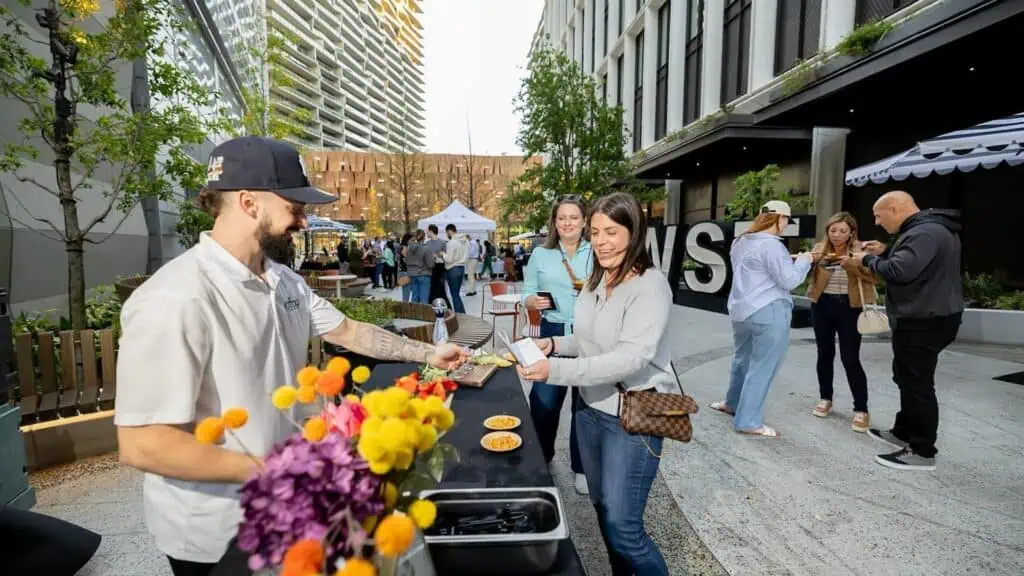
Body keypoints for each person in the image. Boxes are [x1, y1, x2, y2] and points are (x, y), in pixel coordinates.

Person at [113, 136, 470, 576]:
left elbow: (348, 331)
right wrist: (280, 471)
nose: (303, 220)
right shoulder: (174, 298)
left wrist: (431, 352)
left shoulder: (284, 280)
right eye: (294, 208)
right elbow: (143, 444)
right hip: (217, 533)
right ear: (249, 203)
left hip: (288, 514)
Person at [517, 192, 674, 576]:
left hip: (632, 416)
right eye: (597, 232)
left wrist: (554, 370)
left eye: (611, 232)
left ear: (634, 232)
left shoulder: (650, 285)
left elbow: (629, 358)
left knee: (624, 529)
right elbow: (587, 339)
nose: (601, 241)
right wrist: (554, 344)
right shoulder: (597, 279)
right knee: (603, 511)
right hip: (590, 411)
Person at [850, 191, 963, 471]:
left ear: (895, 209)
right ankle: (903, 431)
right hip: (925, 317)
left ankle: (922, 451)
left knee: (917, 385)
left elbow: (900, 271)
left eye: (879, 215)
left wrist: (866, 259)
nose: (877, 222)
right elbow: (915, 263)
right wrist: (886, 251)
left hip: (924, 320)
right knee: (905, 376)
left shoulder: (924, 232)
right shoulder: (927, 230)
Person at [711, 200, 814, 437]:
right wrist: (804, 262)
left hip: (741, 310)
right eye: (786, 220)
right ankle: (748, 421)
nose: (786, 225)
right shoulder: (772, 245)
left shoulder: (740, 241)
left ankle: (732, 403)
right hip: (769, 310)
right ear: (780, 218)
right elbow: (789, 280)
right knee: (763, 367)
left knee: (742, 360)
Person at [522, 194, 592, 495]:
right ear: (554, 222)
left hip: (589, 334)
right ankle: (542, 455)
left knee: (584, 403)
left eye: (573, 217)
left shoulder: (597, 251)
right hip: (551, 331)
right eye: (562, 218)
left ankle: (582, 466)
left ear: (584, 221)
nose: (567, 223)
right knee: (544, 402)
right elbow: (526, 292)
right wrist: (531, 301)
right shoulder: (541, 254)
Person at [806, 212, 878, 432]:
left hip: (850, 307)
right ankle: (825, 398)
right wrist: (811, 262)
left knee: (850, 358)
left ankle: (861, 409)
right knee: (824, 353)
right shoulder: (820, 248)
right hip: (822, 305)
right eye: (833, 230)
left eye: (843, 231)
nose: (837, 235)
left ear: (851, 233)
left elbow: (874, 277)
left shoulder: (861, 251)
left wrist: (851, 265)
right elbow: (807, 276)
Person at [441, 224, 469, 313]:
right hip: (461, 268)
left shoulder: (451, 242)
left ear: (449, 231)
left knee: (455, 295)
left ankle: (460, 314)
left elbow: (449, 259)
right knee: (456, 294)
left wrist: (442, 254)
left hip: (452, 269)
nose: (447, 235)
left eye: (446, 233)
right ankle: (462, 313)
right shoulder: (465, 241)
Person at [424, 224, 450, 308]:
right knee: (431, 288)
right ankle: (431, 306)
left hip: (440, 268)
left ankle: (443, 305)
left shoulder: (442, 242)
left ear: (431, 231)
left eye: (427, 231)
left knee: (441, 287)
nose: (427, 233)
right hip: (430, 268)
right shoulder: (427, 243)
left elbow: (447, 255)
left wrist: (439, 256)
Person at [405, 230, 432, 304]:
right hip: (423, 274)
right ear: (424, 237)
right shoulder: (426, 248)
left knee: (414, 297)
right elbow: (430, 264)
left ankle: (413, 311)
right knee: (424, 299)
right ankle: (423, 312)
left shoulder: (408, 249)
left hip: (412, 275)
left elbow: (406, 260)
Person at [398, 233, 413, 302]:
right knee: (406, 292)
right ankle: (405, 306)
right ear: (407, 240)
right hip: (405, 271)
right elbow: (405, 259)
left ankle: (404, 305)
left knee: (405, 292)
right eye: (411, 240)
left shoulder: (401, 246)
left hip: (402, 271)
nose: (412, 241)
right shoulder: (405, 247)